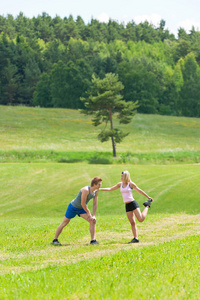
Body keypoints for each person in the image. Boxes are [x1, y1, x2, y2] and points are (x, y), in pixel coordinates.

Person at [99, 170, 153, 243]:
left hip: (133, 203)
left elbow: (139, 190)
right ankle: (135, 238)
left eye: (122, 176)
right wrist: (99, 189)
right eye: (121, 176)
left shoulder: (131, 184)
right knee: (132, 222)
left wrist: (148, 197)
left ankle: (147, 206)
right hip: (127, 205)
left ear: (126, 177)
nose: (121, 177)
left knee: (140, 219)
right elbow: (110, 189)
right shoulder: (119, 184)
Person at [52, 176, 102, 246]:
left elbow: (95, 204)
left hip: (82, 209)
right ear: (94, 184)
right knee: (64, 223)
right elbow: (83, 203)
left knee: (92, 221)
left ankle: (93, 240)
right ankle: (55, 240)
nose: (100, 186)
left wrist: (93, 216)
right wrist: (89, 213)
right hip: (73, 207)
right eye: (99, 184)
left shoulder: (96, 191)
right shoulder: (85, 190)